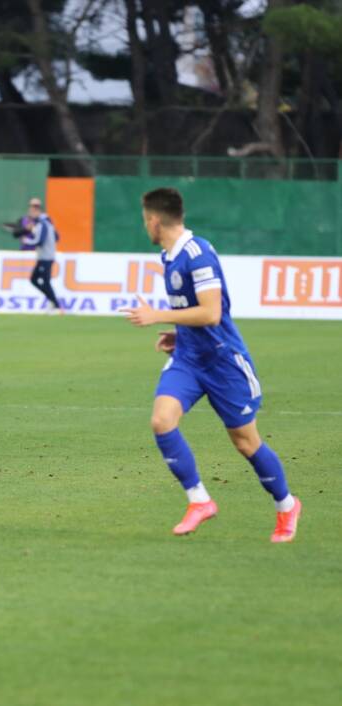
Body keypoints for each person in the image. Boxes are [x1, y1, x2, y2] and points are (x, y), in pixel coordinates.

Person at [120, 187, 301, 542]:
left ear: (154, 221)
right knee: (161, 420)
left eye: (145, 220)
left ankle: (286, 505)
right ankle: (200, 501)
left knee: (246, 443)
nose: (145, 226)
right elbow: (195, 313)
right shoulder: (169, 255)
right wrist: (178, 334)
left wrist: (157, 315)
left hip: (223, 362)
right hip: (189, 358)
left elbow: (211, 312)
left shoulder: (197, 254)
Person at [22, 198, 61, 312]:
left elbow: (40, 241)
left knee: (44, 282)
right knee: (35, 280)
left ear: (38, 210)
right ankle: (53, 302)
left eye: (33, 209)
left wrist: (26, 241)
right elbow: (56, 237)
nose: (31, 212)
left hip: (46, 257)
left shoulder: (43, 223)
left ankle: (56, 305)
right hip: (44, 257)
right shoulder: (45, 223)